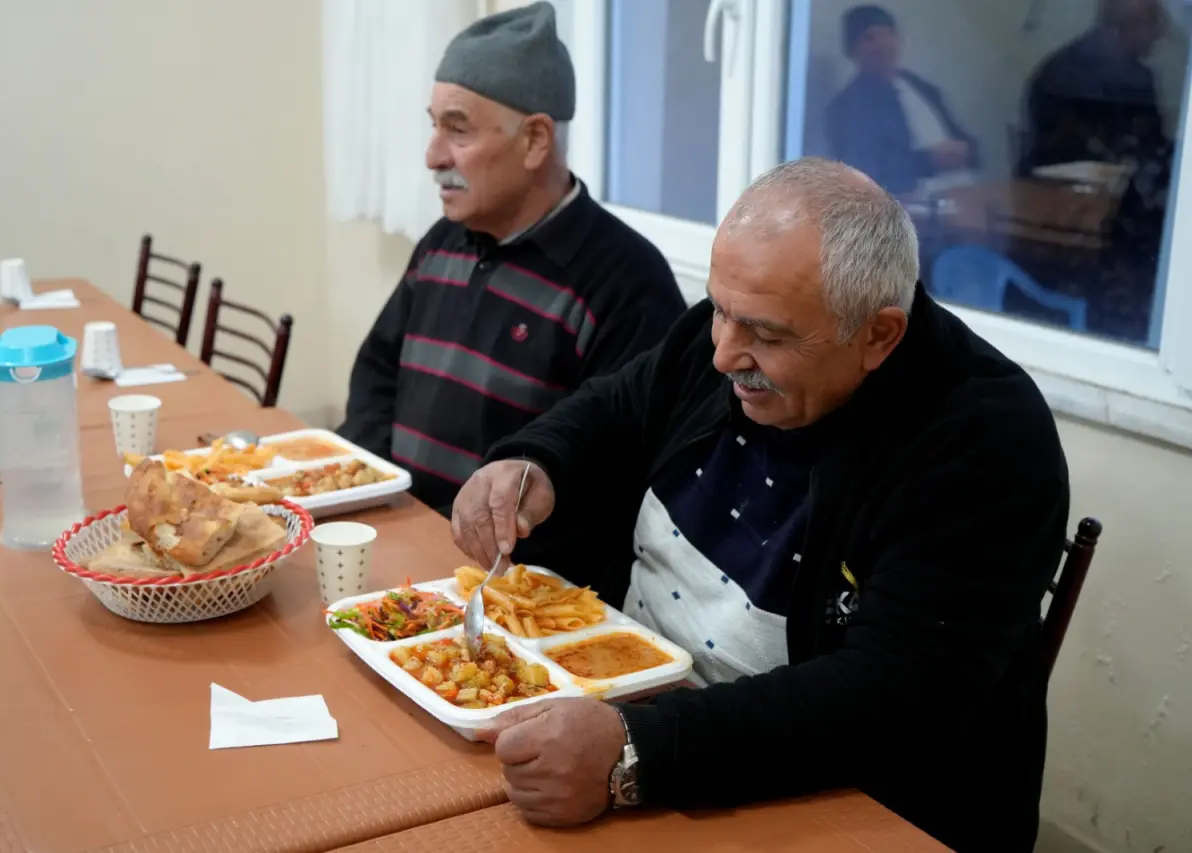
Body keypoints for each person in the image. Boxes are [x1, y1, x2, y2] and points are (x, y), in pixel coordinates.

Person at [451, 158, 1070, 853]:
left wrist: (636, 753)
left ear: (879, 335)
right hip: (638, 717)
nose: (722, 354)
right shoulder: (731, 336)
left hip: (840, 795)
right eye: (719, 309)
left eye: (767, 336)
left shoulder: (983, 439)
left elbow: (887, 699)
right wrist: (533, 460)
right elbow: (618, 406)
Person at [338, 2, 685, 514]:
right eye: (434, 126)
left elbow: (617, 466)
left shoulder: (626, 282)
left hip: (512, 578)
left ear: (535, 141)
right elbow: (377, 372)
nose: (433, 156)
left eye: (458, 130)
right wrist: (377, 493)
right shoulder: (443, 242)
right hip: (402, 528)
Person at [826, 5, 980, 196]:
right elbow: (865, 174)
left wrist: (966, 151)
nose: (882, 45)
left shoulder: (924, 89)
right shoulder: (847, 107)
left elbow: (967, 142)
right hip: (912, 206)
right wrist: (929, 161)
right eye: (870, 38)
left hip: (966, 191)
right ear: (852, 51)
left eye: (888, 35)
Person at [1020, 0, 1170, 175]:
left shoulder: (1141, 81)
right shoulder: (1062, 79)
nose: (1159, 33)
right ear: (1124, 25)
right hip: (1060, 195)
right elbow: (1056, 162)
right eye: (1153, 22)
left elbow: (1155, 148)